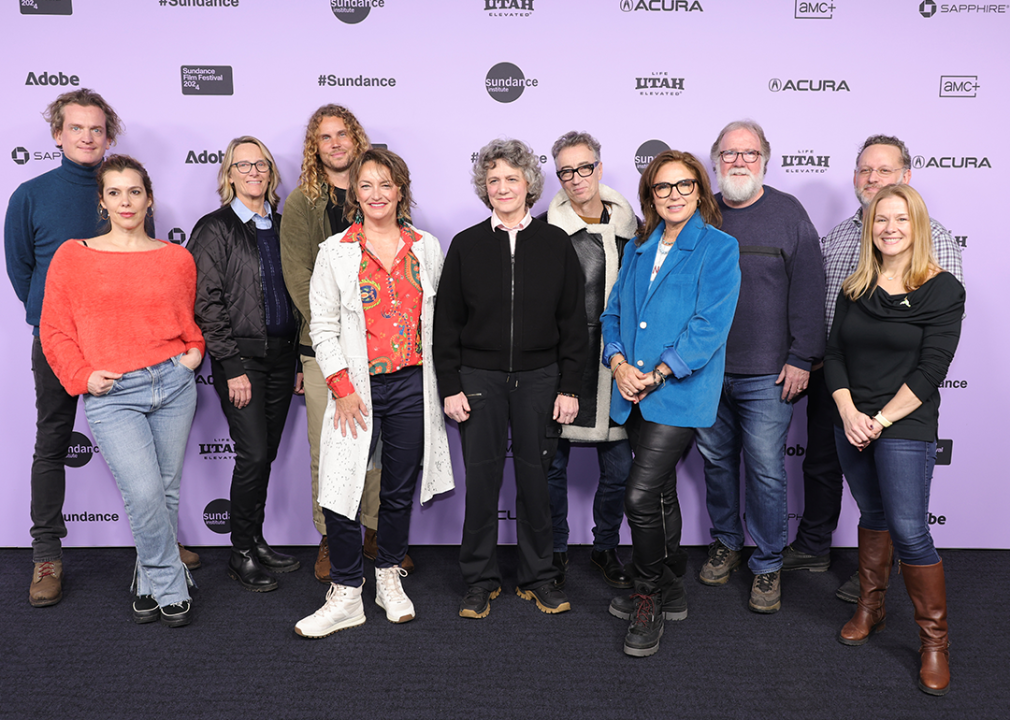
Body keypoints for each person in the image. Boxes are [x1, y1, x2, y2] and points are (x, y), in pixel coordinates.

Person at [4, 88, 198, 608]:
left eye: (96, 129)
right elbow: (22, 270)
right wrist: (60, 328)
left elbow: (150, 277)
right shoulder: (30, 194)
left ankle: (157, 550)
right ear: (57, 135)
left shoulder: (127, 193)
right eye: (76, 128)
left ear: (108, 136)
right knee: (52, 443)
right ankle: (47, 553)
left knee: (155, 474)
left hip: (131, 355)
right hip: (62, 345)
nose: (87, 137)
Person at [783, 135, 964, 604]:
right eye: (864, 170)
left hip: (899, 393)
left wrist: (883, 416)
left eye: (883, 171)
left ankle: (895, 592)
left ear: (905, 176)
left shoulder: (934, 240)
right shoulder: (844, 236)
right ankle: (826, 556)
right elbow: (817, 305)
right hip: (838, 378)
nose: (872, 179)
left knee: (901, 515)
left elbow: (934, 342)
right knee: (825, 467)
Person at [293, 149, 453, 638]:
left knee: (398, 487)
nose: (377, 194)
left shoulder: (426, 246)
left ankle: (386, 575)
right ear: (354, 194)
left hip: (412, 383)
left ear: (400, 190)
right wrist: (340, 387)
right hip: (354, 386)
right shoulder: (335, 250)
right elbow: (321, 325)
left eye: (387, 184)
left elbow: (440, 320)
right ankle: (345, 592)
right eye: (367, 185)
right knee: (341, 488)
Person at [40, 155, 204, 627]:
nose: (126, 201)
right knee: (146, 491)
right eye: (115, 192)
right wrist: (81, 376)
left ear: (149, 199)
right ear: (102, 202)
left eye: (134, 191)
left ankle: (147, 581)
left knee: (167, 492)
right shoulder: (75, 255)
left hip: (172, 382)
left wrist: (194, 350)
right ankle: (171, 583)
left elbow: (188, 320)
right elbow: (55, 329)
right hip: (113, 393)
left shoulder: (177, 258)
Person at [433, 138, 587, 619]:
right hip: (479, 379)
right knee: (481, 484)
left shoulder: (556, 243)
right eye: (493, 179)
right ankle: (479, 580)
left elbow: (573, 324)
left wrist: (570, 387)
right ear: (485, 187)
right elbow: (446, 325)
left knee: (536, 483)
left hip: (542, 379)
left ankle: (538, 577)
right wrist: (450, 385)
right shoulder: (466, 244)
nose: (502, 187)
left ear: (529, 186)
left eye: (512, 179)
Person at [824, 184, 963, 696]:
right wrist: (848, 411)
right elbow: (834, 353)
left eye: (901, 219)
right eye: (881, 219)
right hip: (852, 417)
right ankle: (871, 607)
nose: (890, 228)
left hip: (902, 421)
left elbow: (931, 371)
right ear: (869, 224)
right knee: (873, 515)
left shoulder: (943, 289)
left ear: (918, 225)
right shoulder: (854, 285)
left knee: (908, 529)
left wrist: (878, 420)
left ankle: (934, 641)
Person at [601, 150, 740, 657]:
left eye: (684, 185)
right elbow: (613, 314)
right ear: (651, 197)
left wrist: (656, 373)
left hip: (678, 393)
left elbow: (708, 327)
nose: (674, 195)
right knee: (658, 494)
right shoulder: (641, 246)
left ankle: (648, 593)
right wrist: (618, 365)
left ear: (700, 190)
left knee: (637, 497)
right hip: (632, 390)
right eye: (663, 188)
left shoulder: (719, 248)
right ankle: (673, 585)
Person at [694, 120, 825, 614]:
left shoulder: (789, 213)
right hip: (706, 371)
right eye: (729, 154)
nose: (739, 162)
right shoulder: (701, 212)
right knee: (717, 464)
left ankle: (767, 564)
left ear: (766, 159)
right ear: (715, 162)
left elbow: (810, 290)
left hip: (769, 375)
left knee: (768, 470)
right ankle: (727, 542)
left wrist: (800, 357)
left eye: (749, 154)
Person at [280, 105, 407, 583]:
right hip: (324, 349)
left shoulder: (377, 192)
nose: (334, 144)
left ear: (356, 139)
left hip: (382, 349)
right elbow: (298, 279)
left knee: (375, 447)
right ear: (315, 147)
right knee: (330, 447)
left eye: (342, 135)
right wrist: (333, 338)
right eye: (323, 137)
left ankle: (373, 531)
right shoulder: (301, 203)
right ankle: (332, 536)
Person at [189, 136, 300, 592]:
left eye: (262, 164)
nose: (254, 171)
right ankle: (240, 553)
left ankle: (255, 540)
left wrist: (298, 359)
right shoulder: (215, 228)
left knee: (266, 454)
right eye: (243, 165)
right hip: (242, 363)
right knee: (253, 453)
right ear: (228, 175)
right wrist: (231, 365)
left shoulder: (283, 226)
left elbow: (296, 293)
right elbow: (206, 303)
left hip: (281, 358)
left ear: (271, 173)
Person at [539, 131, 638, 590]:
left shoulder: (633, 228)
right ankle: (556, 549)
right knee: (552, 465)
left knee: (619, 467)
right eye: (565, 171)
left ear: (599, 168)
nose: (576, 179)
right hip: (563, 361)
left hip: (621, 363)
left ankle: (604, 547)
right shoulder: (545, 230)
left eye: (584, 168)